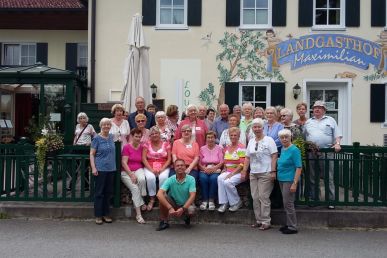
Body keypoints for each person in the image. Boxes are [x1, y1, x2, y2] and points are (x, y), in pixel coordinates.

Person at [304, 101, 342, 209]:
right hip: (311, 152)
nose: (317, 109)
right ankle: (315, 199)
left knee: (328, 177)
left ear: (324, 110)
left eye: (320, 108)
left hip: (326, 152)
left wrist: (338, 144)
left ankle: (330, 201)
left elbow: (337, 135)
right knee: (312, 177)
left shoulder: (331, 120)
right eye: (315, 107)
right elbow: (303, 137)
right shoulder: (308, 122)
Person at [243, 118, 278, 230]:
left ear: (263, 128)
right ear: (252, 129)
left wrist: (273, 171)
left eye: (259, 127)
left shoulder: (269, 140)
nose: (257, 129)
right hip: (254, 172)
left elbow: (274, 156)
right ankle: (258, 220)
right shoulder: (252, 141)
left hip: (266, 172)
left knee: (264, 197)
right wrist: (245, 170)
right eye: (255, 127)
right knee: (255, 197)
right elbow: (247, 157)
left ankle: (266, 221)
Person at [156, 159, 196, 231]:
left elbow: (192, 196)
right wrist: (170, 208)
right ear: (174, 168)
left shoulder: (191, 179)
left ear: (185, 167)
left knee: (191, 210)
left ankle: (186, 217)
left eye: (182, 165)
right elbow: (159, 194)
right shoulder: (170, 179)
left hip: (186, 204)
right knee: (163, 197)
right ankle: (164, 221)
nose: (180, 167)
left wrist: (183, 208)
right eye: (177, 166)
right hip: (174, 203)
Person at [90, 118, 116, 225]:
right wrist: (93, 168)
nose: (106, 126)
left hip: (111, 169)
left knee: (108, 192)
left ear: (110, 126)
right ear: (101, 126)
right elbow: (92, 154)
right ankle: (98, 215)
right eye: (104, 125)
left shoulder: (111, 137)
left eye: (108, 125)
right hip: (100, 169)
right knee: (99, 193)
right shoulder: (96, 138)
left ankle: (106, 214)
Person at [277, 129, 302, 234]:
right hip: (281, 178)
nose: (284, 139)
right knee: (285, 202)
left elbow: (299, 167)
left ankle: (292, 227)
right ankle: (288, 223)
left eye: (286, 137)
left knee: (289, 203)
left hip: (289, 179)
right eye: (282, 137)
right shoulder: (283, 148)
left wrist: (294, 183)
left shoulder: (294, 150)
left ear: (290, 137)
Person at [121, 128, 147, 224]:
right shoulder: (127, 147)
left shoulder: (142, 147)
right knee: (135, 189)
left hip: (138, 169)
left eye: (139, 137)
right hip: (126, 171)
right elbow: (124, 162)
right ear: (132, 136)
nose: (138, 138)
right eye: (136, 136)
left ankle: (142, 199)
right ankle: (139, 214)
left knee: (142, 179)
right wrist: (131, 174)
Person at [142, 126, 172, 211]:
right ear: (150, 136)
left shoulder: (166, 143)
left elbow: (169, 159)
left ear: (159, 134)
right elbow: (144, 159)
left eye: (156, 133)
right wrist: (151, 170)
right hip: (149, 166)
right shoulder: (146, 144)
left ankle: (161, 198)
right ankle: (152, 199)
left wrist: (162, 169)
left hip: (163, 166)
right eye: (152, 134)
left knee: (163, 177)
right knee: (150, 178)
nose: (154, 135)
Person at [217, 127, 246, 213]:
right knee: (220, 178)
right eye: (231, 135)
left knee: (227, 182)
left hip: (239, 172)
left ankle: (237, 202)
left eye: (235, 135)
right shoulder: (227, 147)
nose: (233, 137)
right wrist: (225, 168)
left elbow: (242, 164)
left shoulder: (241, 147)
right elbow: (226, 160)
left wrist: (232, 173)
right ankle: (224, 203)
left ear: (239, 136)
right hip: (228, 171)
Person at [198, 131, 224, 211]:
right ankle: (205, 200)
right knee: (203, 178)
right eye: (208, 137)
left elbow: (222, 161)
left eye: (212, 137)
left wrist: (214, 168)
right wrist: (204, 168)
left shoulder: (219, 148)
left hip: (215, 168)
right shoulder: (202, 148)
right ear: (206, 139)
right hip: (204, 168)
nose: (210, 139)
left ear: (215, 138)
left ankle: (211, 200)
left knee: (214, 179)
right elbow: (198, 162)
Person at [72, 112, 96, 190]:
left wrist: (90, 143)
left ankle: (86, 186)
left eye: (83, 118)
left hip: (86, 148)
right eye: (80, 118)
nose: (82, 119)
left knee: (85, 168)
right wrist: (74, 144)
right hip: (77, 148)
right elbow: (76, 136)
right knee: (75, 167)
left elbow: (95, 137)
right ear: (78, 120)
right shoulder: (77, 126)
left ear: (86, 119)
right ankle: (71, 185)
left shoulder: (90, 126)